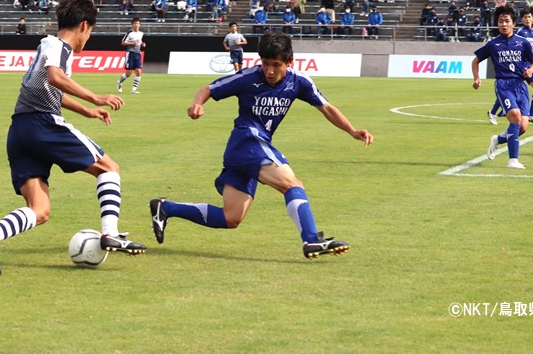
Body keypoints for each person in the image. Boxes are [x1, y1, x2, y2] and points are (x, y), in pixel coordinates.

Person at [149, 31, 372, 259]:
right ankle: (311, 238)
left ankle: (165, 208)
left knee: (231, 218)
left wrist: (352, 131)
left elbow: (326, 107)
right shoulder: (247, 77)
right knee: (292, 183)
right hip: (247, 140)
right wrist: (197, 104)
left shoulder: (299, 82)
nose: (270, 71)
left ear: (289, 62)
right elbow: (208, 89)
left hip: (248, 150)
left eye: (276, 65)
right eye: (265, 64)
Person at [0, 0, 146, 275]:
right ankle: (110, 233)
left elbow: (52, 90)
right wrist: (96, 97)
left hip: (20, 131)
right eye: (91, 32)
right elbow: (55, 77)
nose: (88, 38)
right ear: (84, 26)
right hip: (43, 125)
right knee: (109, 168)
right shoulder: (58, 46)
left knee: (40, 209)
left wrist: (87, 110)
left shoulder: (47, 47)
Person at [472, 4, 533, 170]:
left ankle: (498, 139)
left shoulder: (523, 43)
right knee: (514, 116)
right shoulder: (493, 44)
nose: (503, 24)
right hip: (503, 85)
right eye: (500, 21)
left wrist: (530, 70)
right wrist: (477, 78)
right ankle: (513, 160)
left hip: (520, 86)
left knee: (522, 127)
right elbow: (476, 60)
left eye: (506, 21)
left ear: (513, 24)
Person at [488, 9, 533, 125]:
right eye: (525, 18)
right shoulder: (520, 32)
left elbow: (527, 47)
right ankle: (493, 112)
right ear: (521, 20)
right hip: (519, 66)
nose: (527, 19)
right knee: (509, 87)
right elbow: (512, 45)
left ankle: (531, 115)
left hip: (528, 66)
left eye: (529, 17)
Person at [116, 18, 146, 94]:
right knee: (128, 73)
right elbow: (123, 43)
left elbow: (139, 41)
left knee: (138, 71)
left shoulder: (141, 33)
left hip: (138, 54)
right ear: (132, 25)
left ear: (140, 25)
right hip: (130, 54)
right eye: (135, 23)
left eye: (138, 23)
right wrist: (132, 43)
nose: (136, 25)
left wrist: (142, 43)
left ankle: (134, 90)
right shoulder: (129, 33)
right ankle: (119, 82)